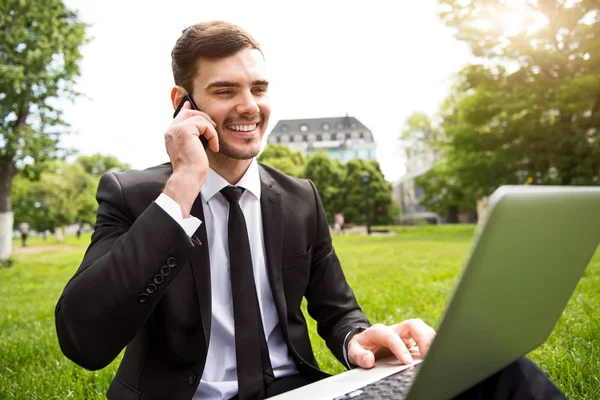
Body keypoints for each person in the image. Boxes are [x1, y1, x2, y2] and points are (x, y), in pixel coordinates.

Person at [54, 21, 566, 400]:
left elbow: (337, 310)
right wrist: (183, 184)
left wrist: (356, 340)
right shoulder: (133, 195)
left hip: (300, 393)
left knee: (500, 371)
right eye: (225, 91)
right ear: (182, 102)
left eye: (258, 88)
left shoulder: (299, 198)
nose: (248, 106)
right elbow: (84, 340)